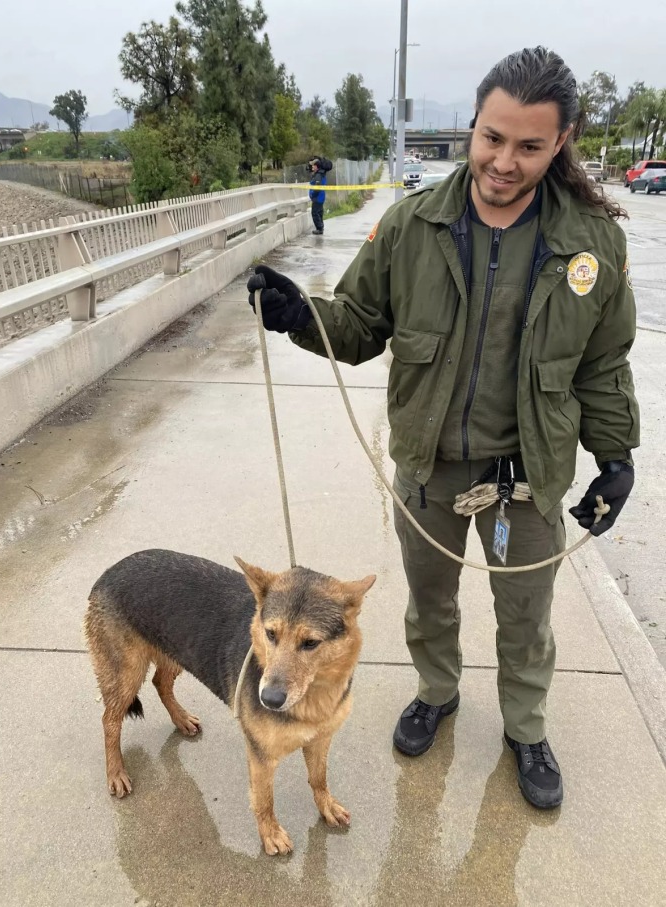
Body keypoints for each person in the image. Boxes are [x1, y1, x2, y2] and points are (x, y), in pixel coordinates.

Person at [247, 47, 639, 809]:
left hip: (528, 475)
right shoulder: (411, 224)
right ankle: (437, 692)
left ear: (560, 143)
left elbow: (604, 362)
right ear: (474, 126)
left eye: (529, 146)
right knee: (430, 603)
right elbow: (356, 325)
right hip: (429, 466)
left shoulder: (593, 242)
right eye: (493, 138)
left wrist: (616, 458)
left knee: (526, 617)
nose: (504, 160)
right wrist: (302, 317)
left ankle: (526, 726)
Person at [308, 158, 327, 235]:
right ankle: (321, 227)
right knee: (319, 212)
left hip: (318, 197)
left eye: (313, 165)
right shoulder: (320, 174)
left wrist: (313, 195)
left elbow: (317, 187)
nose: (312, 166)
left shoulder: (318, 175)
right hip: (321, 197)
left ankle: (319, 228)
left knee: (315, 213)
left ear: (317, 166)